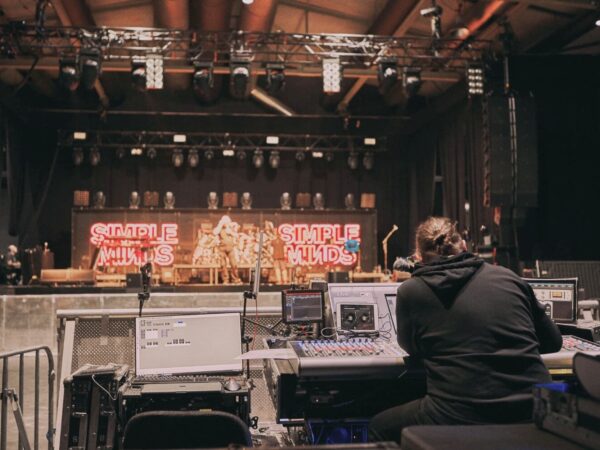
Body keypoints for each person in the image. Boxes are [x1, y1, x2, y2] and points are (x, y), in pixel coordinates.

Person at [369, 217, 562, 443]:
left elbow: (411, 348)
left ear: (419, 256)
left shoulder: (411, 291)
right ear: (463, 246)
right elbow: (552, 342)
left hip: (458, 413)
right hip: (533, 407)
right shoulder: (509, 278)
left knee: (378, 427)